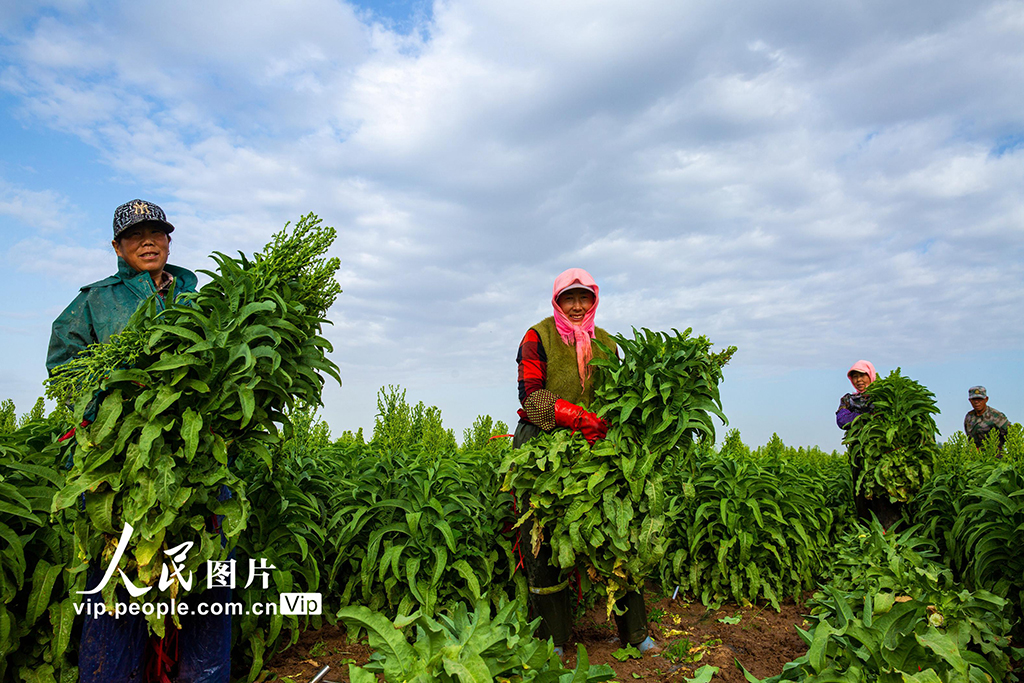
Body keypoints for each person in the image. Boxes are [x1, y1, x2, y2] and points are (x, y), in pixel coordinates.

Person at [48, 200, 230, 683]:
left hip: (195, 458)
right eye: (135, 236)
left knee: (208, 575)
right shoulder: (95, 301)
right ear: (117, 247)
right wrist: (106, 412)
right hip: (123, 458)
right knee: (117, 576)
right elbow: (65, 368)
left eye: (157, 233)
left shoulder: (198, 297)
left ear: (169, 241)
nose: (147, 242)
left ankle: (203, 675)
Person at [514, 267, 657, 655]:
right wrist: (575, 417)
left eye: (584, 298)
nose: (577, 306)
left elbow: (620, 397)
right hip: (542, 449)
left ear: (594, 300)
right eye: (568, 298)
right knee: (541, 540)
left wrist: (611, 425)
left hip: (598, 448)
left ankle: (635, 633)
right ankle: (555, 640)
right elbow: (531, 397)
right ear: (557, 301)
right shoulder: (537, 336)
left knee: (620, 531)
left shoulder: (607, 344)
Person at [964, 386, 1010, 451]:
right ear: (970, 400)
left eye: (979, 399)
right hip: (975, 457)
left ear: (986, 399)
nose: (976, 402)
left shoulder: (996, 416)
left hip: (995, 457)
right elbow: (970, 439)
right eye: (974, 399)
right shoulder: (969, 417)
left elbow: (1011, 436)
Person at [836, 360, 876, 430]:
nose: (858, 379)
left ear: (870, 375)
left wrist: (853, 416)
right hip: (856, 439)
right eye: (855, 376)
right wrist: (865, 416)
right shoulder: (847, 399)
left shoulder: (880, 397)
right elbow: (842, 420)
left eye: (862, 375)